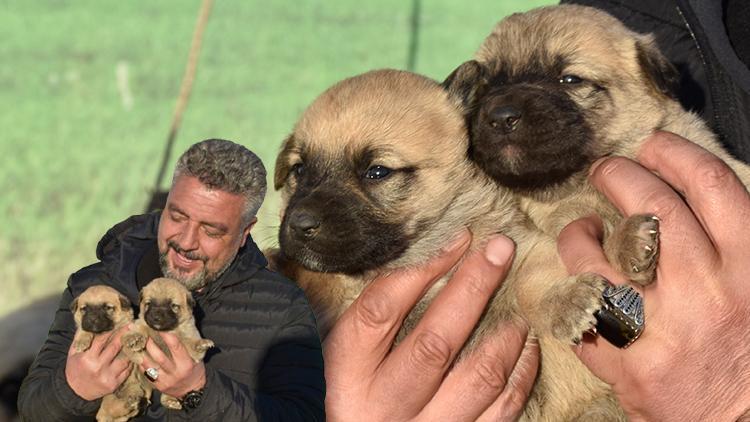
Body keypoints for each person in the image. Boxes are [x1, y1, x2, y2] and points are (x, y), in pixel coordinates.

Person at [325, 0, 750, 420]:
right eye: (490, 84)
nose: (503, 108)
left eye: (569, 80)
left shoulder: (687, 150)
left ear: (654, 81)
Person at [18, 139, 325, 421]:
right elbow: (32, 407)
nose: (187, 242)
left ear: (245, 232)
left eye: (211, 230)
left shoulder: (282, 308)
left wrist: (199, 391)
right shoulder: (94, 286)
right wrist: (72, 390)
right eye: (177, 217)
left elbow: (303, 416)